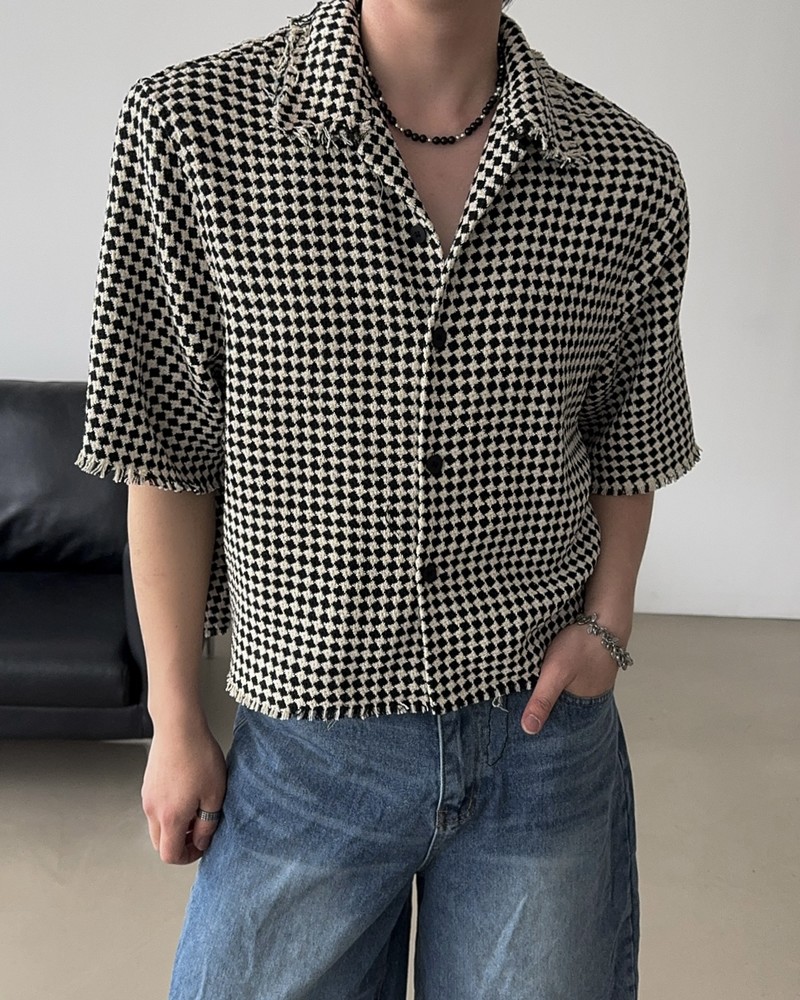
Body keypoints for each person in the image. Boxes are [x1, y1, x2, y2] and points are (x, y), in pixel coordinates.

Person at [74, 0, 701, 995]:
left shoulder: (626, 173)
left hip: (538, 739)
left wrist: (606, 623)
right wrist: (175, 715)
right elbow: (167, 449)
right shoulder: (192, 130)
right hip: (305, 740)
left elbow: (629, 432)